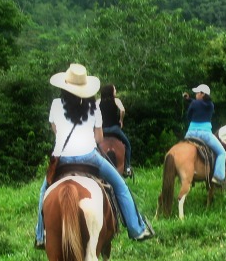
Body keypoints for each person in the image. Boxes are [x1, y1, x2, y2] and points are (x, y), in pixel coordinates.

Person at [35, 63, 154, 248]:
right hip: (90, 158)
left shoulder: (56, 104)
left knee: (44, 191)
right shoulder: (93, 106)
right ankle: (136, 229)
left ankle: (41, 235)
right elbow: (99, 138)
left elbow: (56, 131)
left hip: (61, 159)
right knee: (120, 185)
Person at [182, 84, 226, 187]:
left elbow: (188, 116)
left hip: (190, 133)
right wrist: (190, 99)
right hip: (205, 134)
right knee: (222, 153)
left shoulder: (194, 104)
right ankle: (218, 177)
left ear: (202, 94)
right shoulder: (211, 105)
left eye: (197, 93)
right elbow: (199, 103)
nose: (196, 94)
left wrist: (190, 101)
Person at [99, 84, 133, 177]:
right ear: (110, 91)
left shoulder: (98, 101)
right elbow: (122, 110)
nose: (115, 91)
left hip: (103, 130)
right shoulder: (116, 100)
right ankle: (127, 167)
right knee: (128, 145)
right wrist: (121, 120)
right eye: (114, 89)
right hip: (115, 129)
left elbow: (94, 113)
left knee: (93, 146)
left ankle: (93, 167)